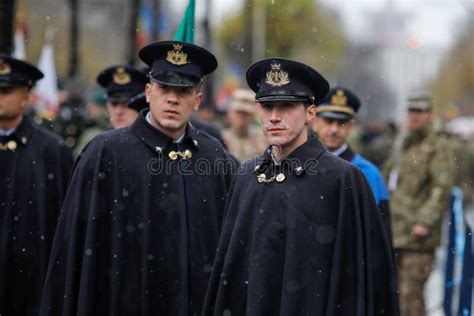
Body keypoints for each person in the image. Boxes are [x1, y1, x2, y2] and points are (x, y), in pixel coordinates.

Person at [40, 41, 235, 315]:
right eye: (164, 88)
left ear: (198, 100)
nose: (172, 99)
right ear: (148, 92)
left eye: (183, 91)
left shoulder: (214, 155)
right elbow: (74, 249)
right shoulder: (105, 152)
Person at [203, 58, 399, 315]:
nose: (274, 117)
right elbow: (230, 277)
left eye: (287, 106)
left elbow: (363, 282)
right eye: (267, 106)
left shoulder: (343, 180)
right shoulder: (246, 177)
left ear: (310, 113)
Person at [0, 54, 73, 315]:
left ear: (26, 97)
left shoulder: (51, 150)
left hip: (31, 283)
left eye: (6, 90)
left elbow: (64, 220)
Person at [383, 92, 456, 316]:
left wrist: (425, 221)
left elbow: (441, 187)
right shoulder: (404, 142)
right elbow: (389, 177)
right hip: (396, 231)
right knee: (393, 294)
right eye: (412, 111)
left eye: (420, 112)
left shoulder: (438, 145)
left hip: (418, 237)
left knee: (410, 298)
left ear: (430, 114)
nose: (415, 116)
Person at [311, 87, 392, 245]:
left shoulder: (369, 174)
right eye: (328, 121)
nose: (334, 129)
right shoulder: (299, 168)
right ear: (314, 122)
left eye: (341, 123)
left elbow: (378, 237)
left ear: (351, 127)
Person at [222, 88, 267, 162]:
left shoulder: (264, 138)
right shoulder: (222, 137)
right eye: (238, 113)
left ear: (252, 115)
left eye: (245, 114)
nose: (241, 118)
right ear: (229, 113)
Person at [97, 65, 148, 129]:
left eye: (126, 104)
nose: (118, 112)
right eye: (114, 104)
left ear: (142, 105)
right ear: (107, 106)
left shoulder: (155, 137)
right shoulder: (99, 137)